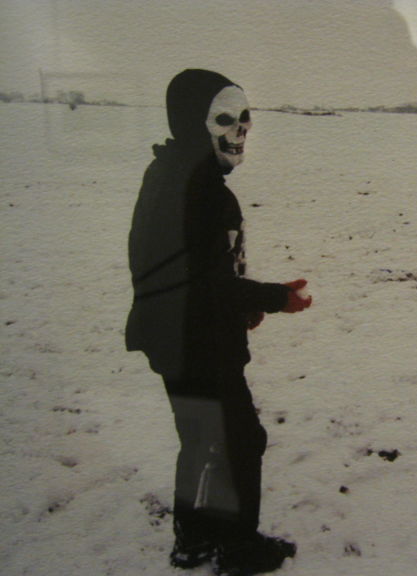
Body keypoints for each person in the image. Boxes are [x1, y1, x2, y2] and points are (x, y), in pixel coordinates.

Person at [126, 69, 312, 575]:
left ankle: (193, 538)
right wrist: (275, 297)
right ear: (193, 122)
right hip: (197, 339)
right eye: (225, 119)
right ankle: (238, 547)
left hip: (173, 334)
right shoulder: (199, 189)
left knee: (200, 436)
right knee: (241, 439)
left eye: (246, 119)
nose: (241, 131)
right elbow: (206, 283)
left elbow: (192, 271)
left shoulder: (170, 173)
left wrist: (239, 303)